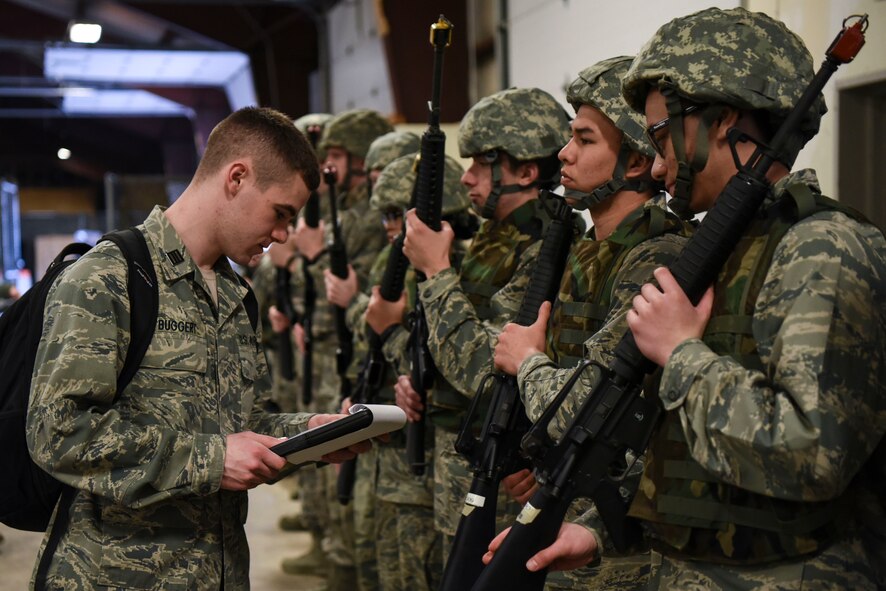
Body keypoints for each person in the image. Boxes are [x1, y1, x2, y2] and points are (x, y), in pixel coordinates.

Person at [489, 7, 886, 589]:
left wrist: (680, 355)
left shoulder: (821, 249)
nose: (655, 161)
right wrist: (602, 525)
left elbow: (811, 455)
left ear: (723, 121)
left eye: (658, 133)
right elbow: (673, 442)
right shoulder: (716, 250)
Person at [25, 106, 372, 590]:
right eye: (280, 213)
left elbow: (240, 427)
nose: (282, 235)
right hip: (117, 575)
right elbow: (58, 433)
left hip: (220, 571)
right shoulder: (109, 278)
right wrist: (211, 461)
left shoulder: (234, 295)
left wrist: (310, 434)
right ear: (236, 177)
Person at [491, 56, 694, 589]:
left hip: (613, 539)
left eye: (584, 140)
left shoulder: (656, 257)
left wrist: (526, 363)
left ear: (632, 163)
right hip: (559, 501)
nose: (565, 153)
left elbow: (584, 399)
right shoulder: (585, 249)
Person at [374, 87, 571, 563]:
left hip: (501, 474)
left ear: (525, 170)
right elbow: (441, 344)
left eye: (483, 163)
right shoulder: (490, 240)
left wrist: (437, 272)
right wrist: (411, 376)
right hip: (460, 459)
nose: (466, 180)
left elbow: (483, 367)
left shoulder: (544, 248)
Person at [275, 107, 393, 587]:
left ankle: (339, 559)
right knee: (322, 461)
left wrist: (308, 255)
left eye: (340, 156)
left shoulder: (362, 217)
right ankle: (328, 548)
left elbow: (352, 283)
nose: (331, 167)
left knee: (342, 465)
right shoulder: (339, 212)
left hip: (350, 349)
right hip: (325, 342)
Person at [322, 130, 420, 591]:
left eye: (394, 212)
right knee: (373, 542)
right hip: (374, 398)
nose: (386, 222)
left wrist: (359, 303)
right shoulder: (389, 252)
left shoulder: (419, 259)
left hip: (414, 438)